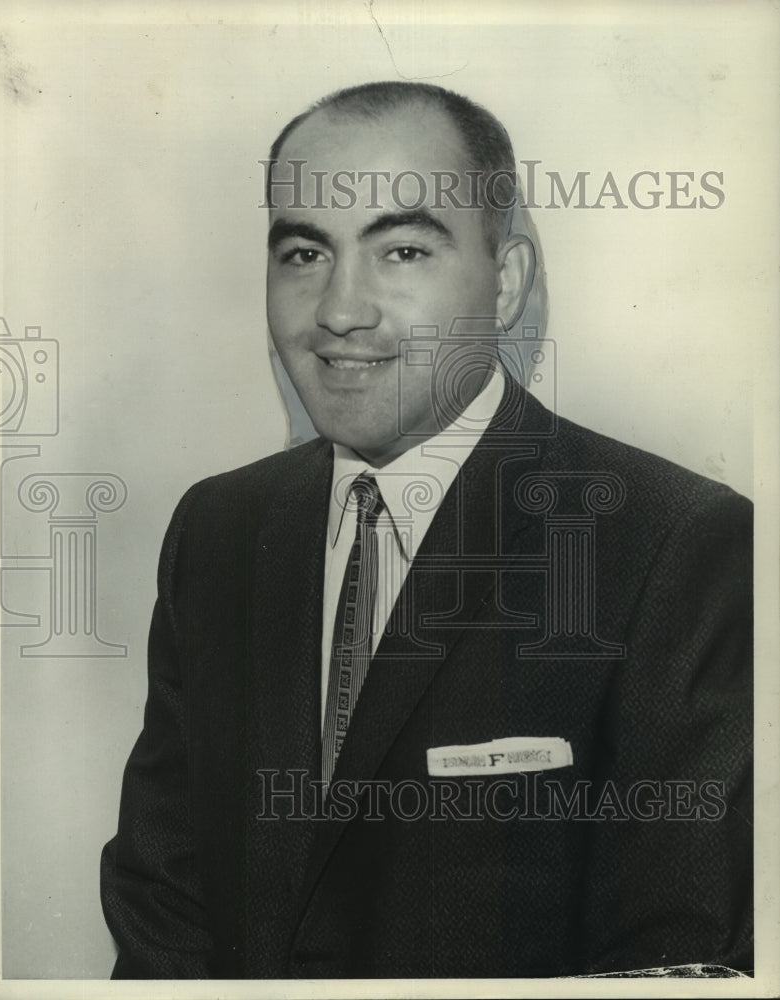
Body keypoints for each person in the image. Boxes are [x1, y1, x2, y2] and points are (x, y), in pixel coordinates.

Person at [100, 82, 752, 979]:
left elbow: (675, 954)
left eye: (401, 249)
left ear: (508, 280)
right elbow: (160, 893)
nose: (338, 310)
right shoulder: (218, 527)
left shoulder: (672, 542)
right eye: (302, 252)